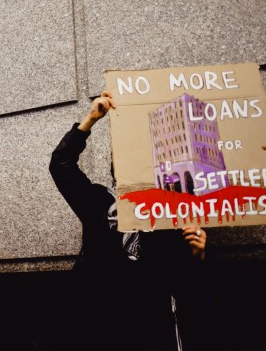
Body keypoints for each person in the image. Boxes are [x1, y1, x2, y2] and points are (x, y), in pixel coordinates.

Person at [49, 91, 207, 351]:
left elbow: (179, 274)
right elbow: (61, 164)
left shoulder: (170, 207)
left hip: (149, 323)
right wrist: (90, 120)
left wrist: (196, 253)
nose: (127, 160)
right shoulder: (97, 201)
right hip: (101, 321)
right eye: (120, 154)